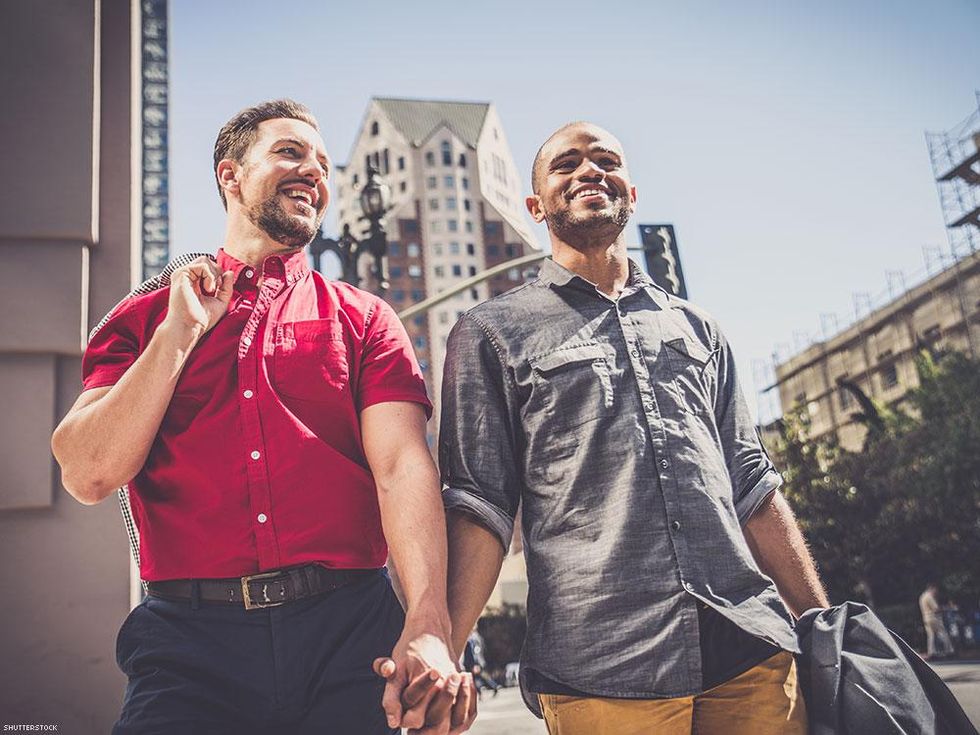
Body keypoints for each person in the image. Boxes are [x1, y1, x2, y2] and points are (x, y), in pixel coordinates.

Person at [51, 99, 472, 735]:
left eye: (324, 164)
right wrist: (177, 336)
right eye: (290, 153)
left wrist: (428, 623)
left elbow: (402, 467)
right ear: (231, 175)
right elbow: (87, 472)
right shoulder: (144, 319)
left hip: (350, 633)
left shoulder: (364, 319)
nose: (314, 172)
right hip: (189, 642)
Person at [438, 122, 830, 735]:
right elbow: (479, 504)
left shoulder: (700, 329)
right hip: (600, 664)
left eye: (606, 160)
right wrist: (448, 649)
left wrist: (820, 622)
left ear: (632, 192)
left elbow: (753, 484)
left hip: (753, 650)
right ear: (536, 206)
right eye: (566, 164)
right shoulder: (490, 332)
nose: (589, 170)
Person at [920, 582, 954, 660]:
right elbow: (936, 609)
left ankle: (932, 652)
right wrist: (947, 608)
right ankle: (949, 650)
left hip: (926, 618)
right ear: (932, 588)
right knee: (943, 633)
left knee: (931, 636)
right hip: (933, 617)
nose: (936, 592)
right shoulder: (929, 597)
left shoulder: (922, 596)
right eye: (935, 590)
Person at [463, 629, 500, 698]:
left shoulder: (472, 639)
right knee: (478, 678)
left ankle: (493, 686)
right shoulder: (477, 637)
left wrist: (475, 663)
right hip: (476, 662)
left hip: (473, 663)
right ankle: (483, 691)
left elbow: (474, 652)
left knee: (478, 678)